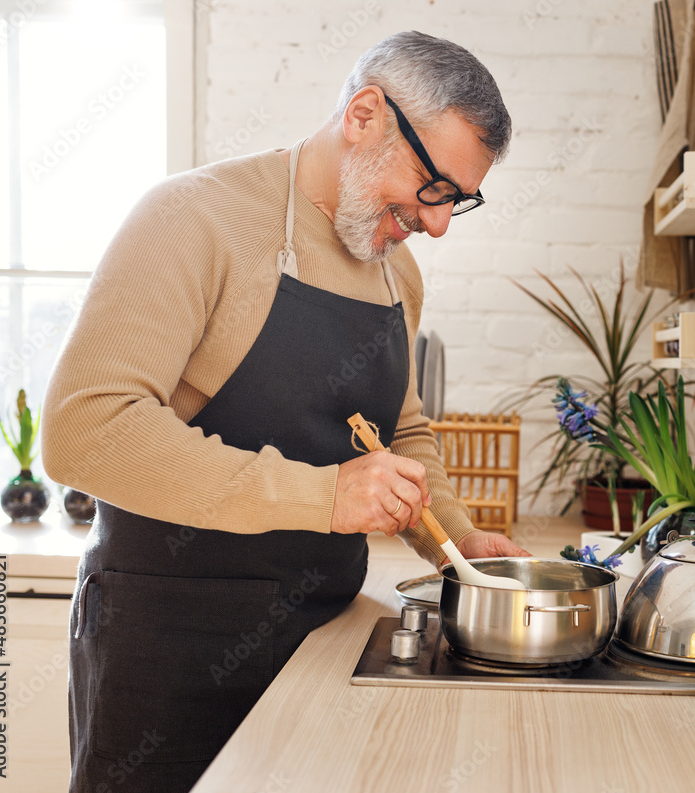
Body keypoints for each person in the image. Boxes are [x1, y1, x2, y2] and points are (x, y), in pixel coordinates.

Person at [42, 31, 528, 793]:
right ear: (365, 114)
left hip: (323, 639)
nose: (436, 225)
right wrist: (323, 495)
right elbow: (85, 430)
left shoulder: (395, 270)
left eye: (457, 202)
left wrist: (459, 542)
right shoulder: (191, 219)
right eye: (434, 186)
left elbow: (399, 431)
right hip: (166, 645)